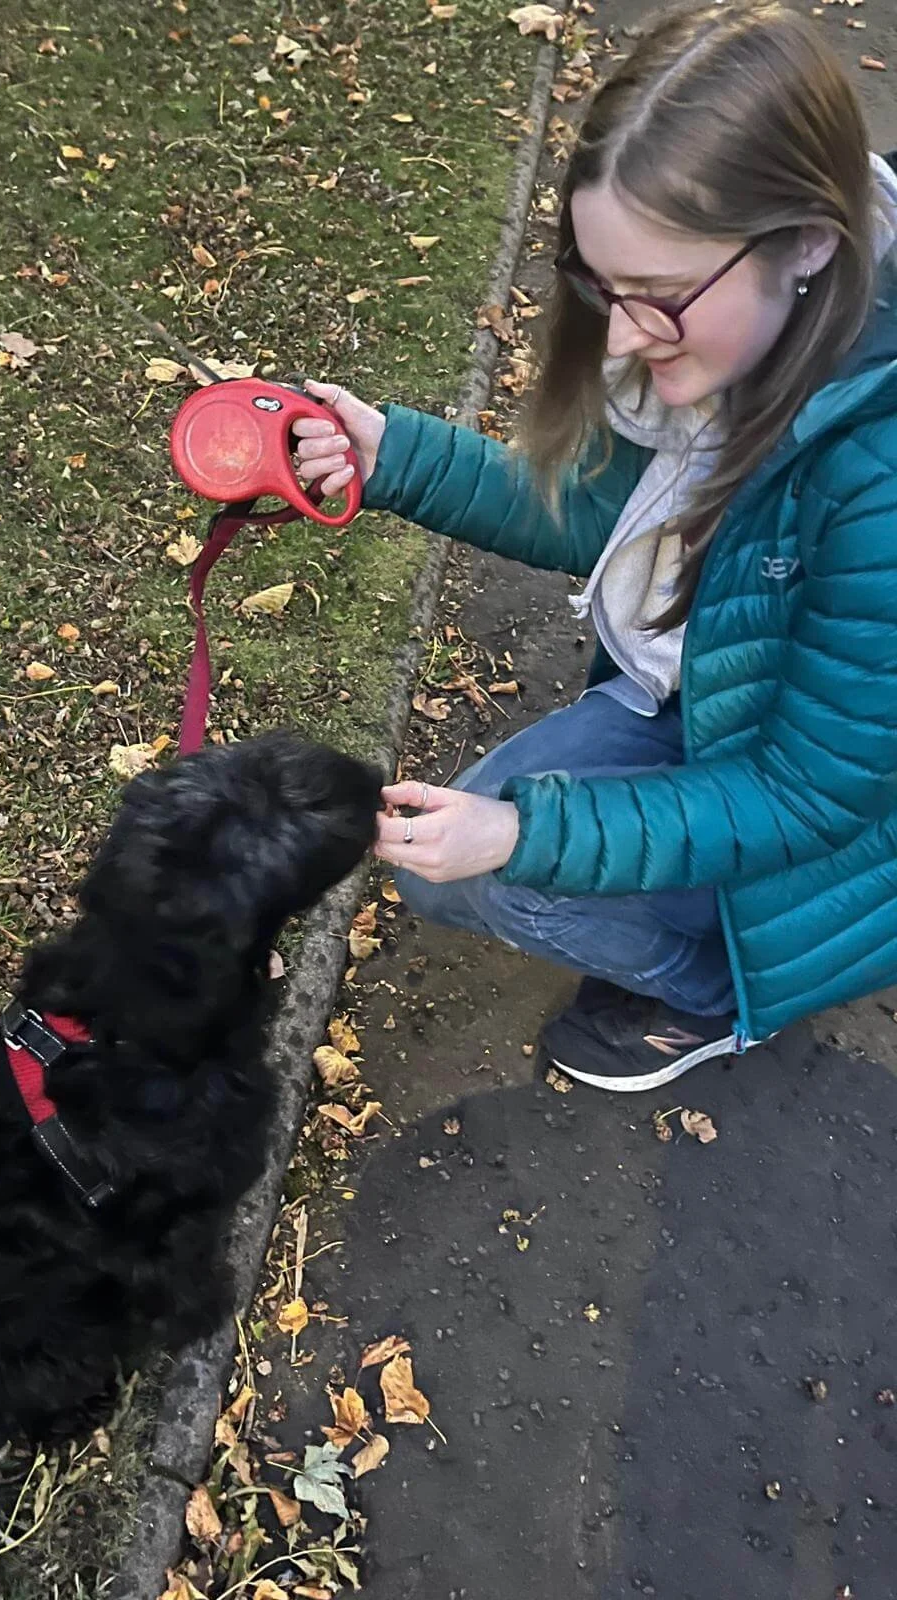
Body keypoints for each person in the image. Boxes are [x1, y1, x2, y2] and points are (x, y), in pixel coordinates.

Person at [292, 0, 897, 1093]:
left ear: (809, 238)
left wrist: (528, 835)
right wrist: (397, 460)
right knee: (456, 871)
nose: (621, 336)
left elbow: (812, 792)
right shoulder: (739, 329)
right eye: (602, 288)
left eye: (659, 297)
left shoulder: (880, 474)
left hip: (828, 814)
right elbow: (604, 515)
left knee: (512, 874)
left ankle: (715, 994)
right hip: (708, 702)